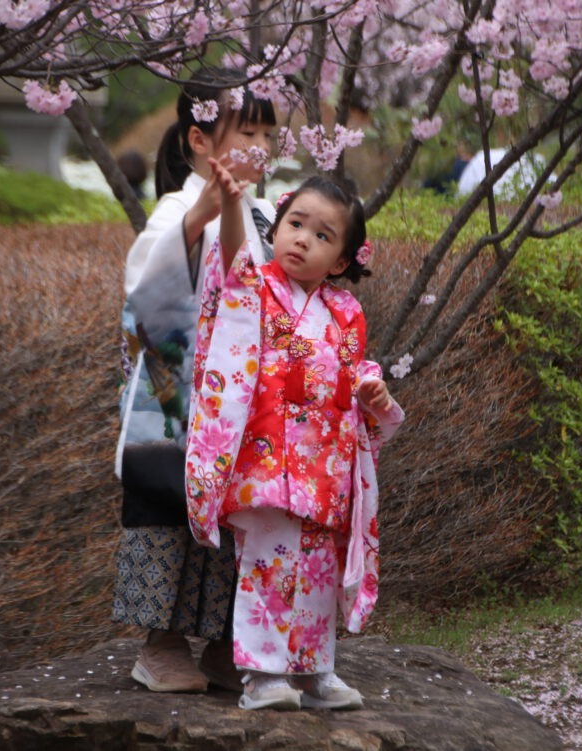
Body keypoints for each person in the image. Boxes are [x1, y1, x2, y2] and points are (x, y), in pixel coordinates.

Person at [185, 162, 405, 711]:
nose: (303, 240)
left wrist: (372, 391)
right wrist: (231, 206)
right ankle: (262, 675)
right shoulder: (256, 288)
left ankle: (312, 671)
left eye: (323, 236)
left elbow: (351, 373)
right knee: (270, 564)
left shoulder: (345, 312)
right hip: (266, 460)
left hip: (323, 467)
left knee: (316, 570)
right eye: (296, 224)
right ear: (277, 227)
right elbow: (232, 263)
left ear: (343, 260)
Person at [112, 67, 277, 694]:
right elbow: (143, 290)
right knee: (169, 505)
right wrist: (197, 220)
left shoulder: (267, 214)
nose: (260, 147)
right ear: (200, 140)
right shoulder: (178, 208)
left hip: (243, 394)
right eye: (247, 133)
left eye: (267, 134)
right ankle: (160, 643)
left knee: (239, 513)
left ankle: (224, 642)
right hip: (177, 393)